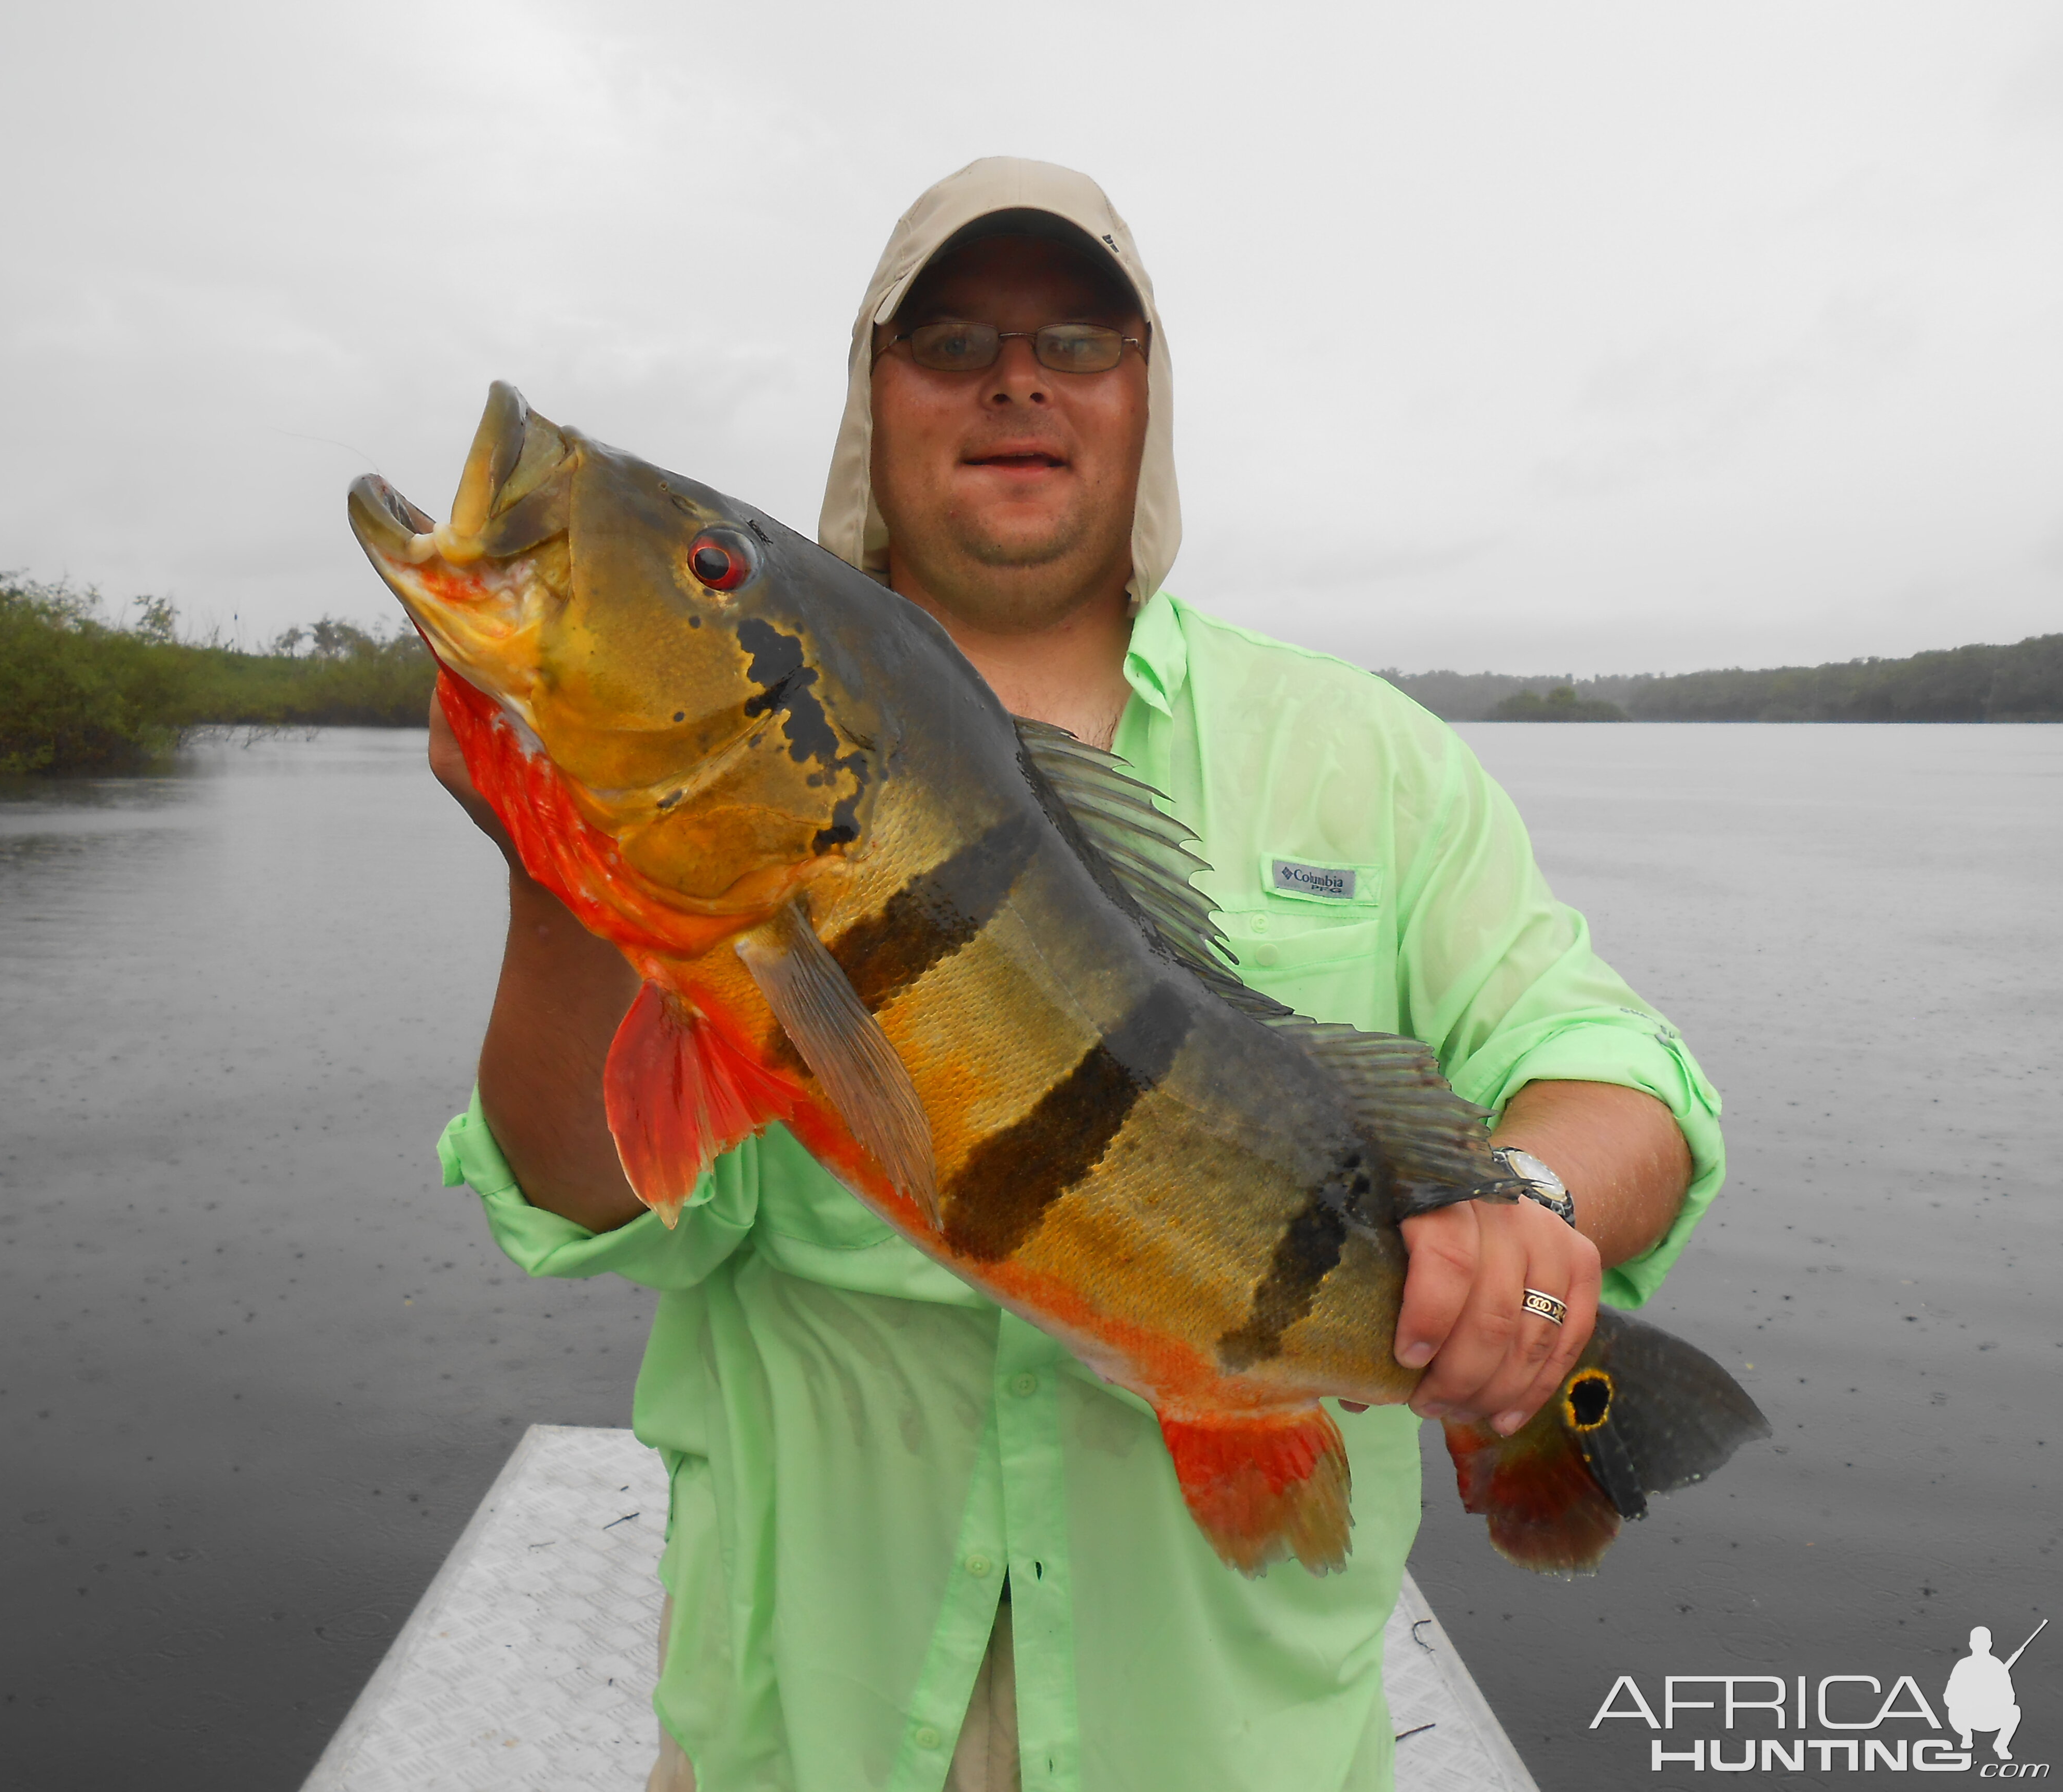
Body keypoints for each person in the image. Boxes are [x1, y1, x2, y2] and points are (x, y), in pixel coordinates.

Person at [428, 158, 1724, 1791]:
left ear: (1146, 397)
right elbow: (596, 1197)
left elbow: (1626, 1076)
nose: (1017, 379)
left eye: (1081, 341)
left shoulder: (1364, 757)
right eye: (952, 338)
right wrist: (561, 874)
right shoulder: (745, 829)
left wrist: (1522, 1211)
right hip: (804, 1746)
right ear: (871, 394)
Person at [1945, 1626, 2024, 1760]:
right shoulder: (1963, 1665)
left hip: (1991, 1717)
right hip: (1966, 1717)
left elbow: (2010, 1698)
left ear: (1990, 1645)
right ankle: (1966, 1735)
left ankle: (2001, 1745)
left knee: (2014, 1711)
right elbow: (1949, 1697)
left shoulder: (1998, 1666)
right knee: (1953, 1710)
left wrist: (1991, 1697)